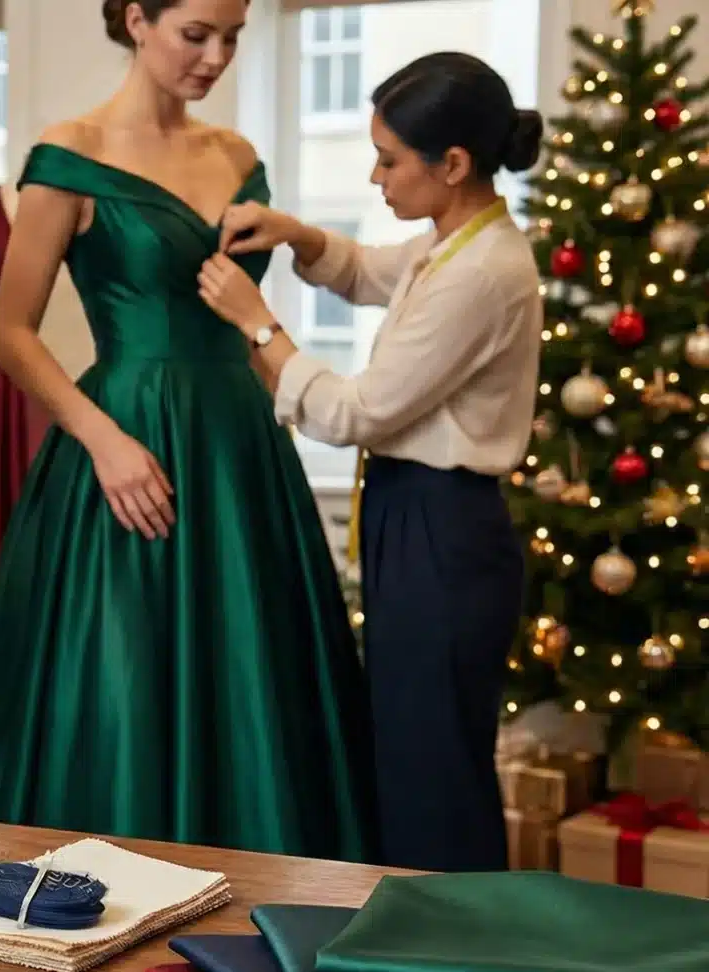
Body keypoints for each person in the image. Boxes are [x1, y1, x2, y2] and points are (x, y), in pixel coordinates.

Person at [0, 0, 378, 863]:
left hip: (241, 449)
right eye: (195, 34)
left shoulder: (238, 156)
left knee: (253, 676)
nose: (217, 57)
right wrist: (102, 440)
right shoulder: (71, 157)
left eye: (232, 38)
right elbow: (12, 331)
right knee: (122, 672)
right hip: (123, 442)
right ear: (136, 19)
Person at [195, 52, 544, 872]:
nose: (376, 174)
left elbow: (359, 410)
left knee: (436, 766)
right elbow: (364, 271)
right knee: (411, 750)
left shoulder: (485, 274)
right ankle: (425, 942)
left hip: (442, 528)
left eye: (390, 159)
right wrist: (298, 235)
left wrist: (258, 327)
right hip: (415, 519)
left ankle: (455, 953)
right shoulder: (451, 244)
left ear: (451, 165)